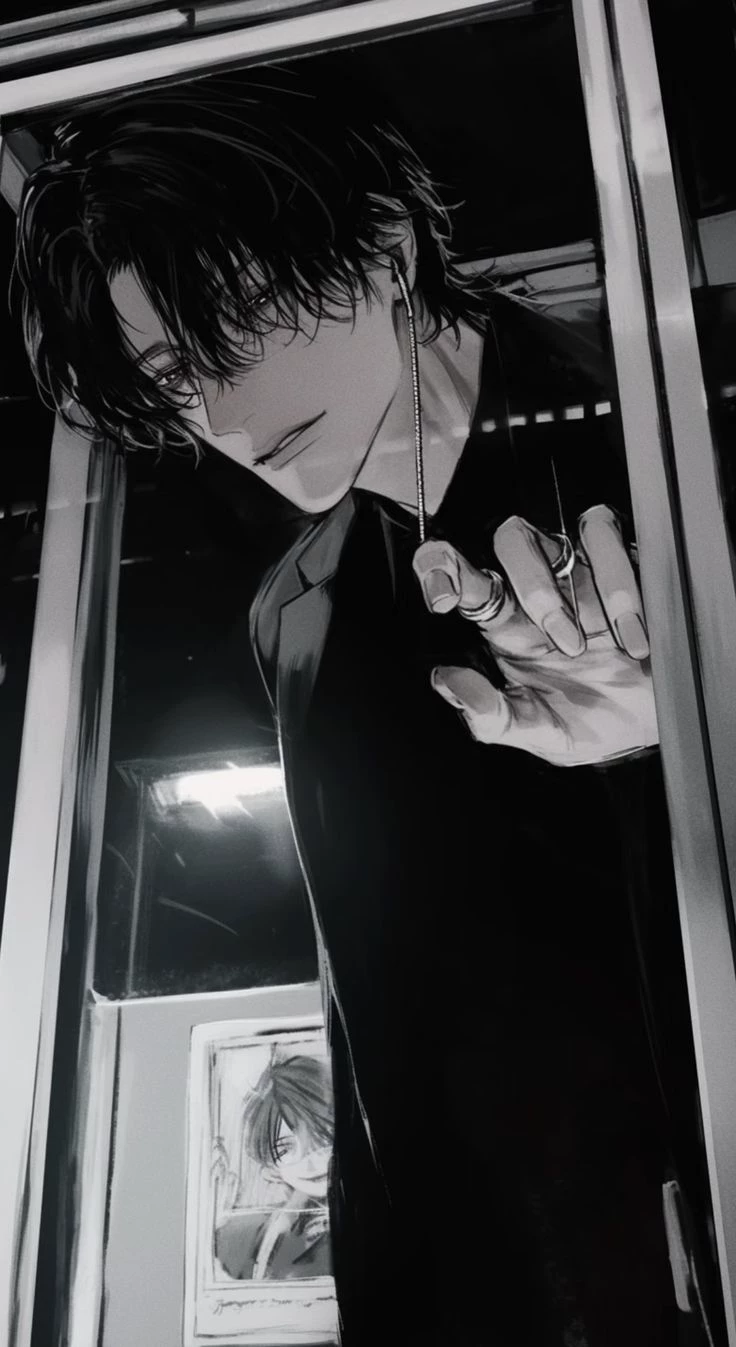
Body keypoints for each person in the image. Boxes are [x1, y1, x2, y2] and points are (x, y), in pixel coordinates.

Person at [14, 62, 723, 1346]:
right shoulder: (294, 605)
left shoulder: (669, 433)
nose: (226, 412)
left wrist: (689, 735)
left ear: (386, 243)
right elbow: (380, 1013)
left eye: (244, 314)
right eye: (174, 372)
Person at [213, 1051, 333, 1282]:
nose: (309, 1159)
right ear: (271, 1165)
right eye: (285, 1148)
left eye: (323, 1136)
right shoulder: (252, 1232)